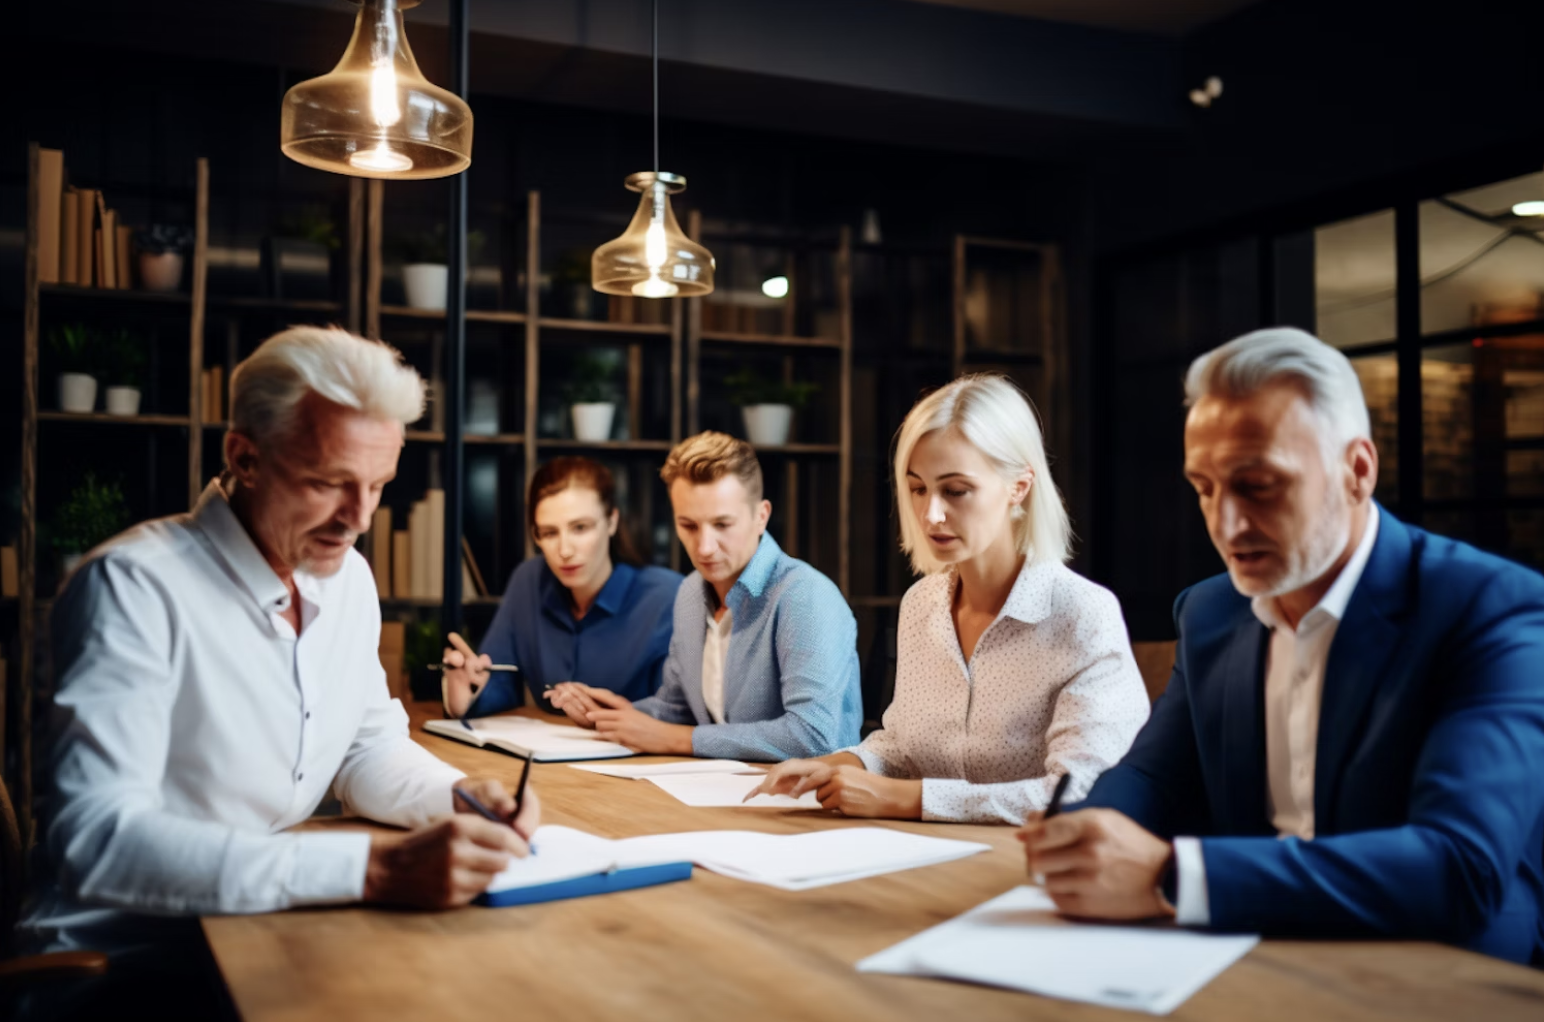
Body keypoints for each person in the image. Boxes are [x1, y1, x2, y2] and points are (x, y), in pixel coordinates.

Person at [18, 327, 540, 1017]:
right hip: (124, 969)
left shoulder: (346, 575)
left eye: (378, 485)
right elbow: (99, 841)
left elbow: (367, 748)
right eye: (328, 482)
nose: (358, 518)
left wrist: (460, 800)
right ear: (245, 457)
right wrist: (376, 869)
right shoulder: (133, 586)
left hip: (265, 930)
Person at [1018, 327, 1544, 965]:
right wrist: (1086, 833)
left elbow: (1460, 867)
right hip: (1245, 949)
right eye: (1204, 488)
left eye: (1259, 485)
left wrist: (1171, 875)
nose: (1226, 524)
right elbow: (1157, 775)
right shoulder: (1210, 611)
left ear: (1357, 470)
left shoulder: (1492, 608)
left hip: (1443, 968)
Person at [750, 375, 1149, 822]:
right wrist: (841, 765)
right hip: (927, 856)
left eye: (956, 491)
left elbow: (1080, 794)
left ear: (1019, 486)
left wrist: (909, 800)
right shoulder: (922, 603)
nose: (930, 514)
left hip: (1031, 870)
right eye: (918, 488)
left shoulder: (1082, 614)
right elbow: (903, 744)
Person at [547, 432, 862, 760]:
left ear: (761, 516)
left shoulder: (805, 596)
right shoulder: (689, 593)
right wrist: (610, 716)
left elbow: (813, 736)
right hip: (724, 793)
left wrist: (675, 739)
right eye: (689, 526)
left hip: (805, 804)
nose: (704, 547)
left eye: (722, 524)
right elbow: (675, 708)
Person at [440, 457, 682, 717]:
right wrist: (468, 694)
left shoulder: (668, 597)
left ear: (612, 521)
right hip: (545, 752)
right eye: (549, 533)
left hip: (639, 756)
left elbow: (678, 712)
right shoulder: (528, 581)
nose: (564, 551)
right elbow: (501, 680)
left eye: (580, 528)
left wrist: (618, 716)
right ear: (536, 535)